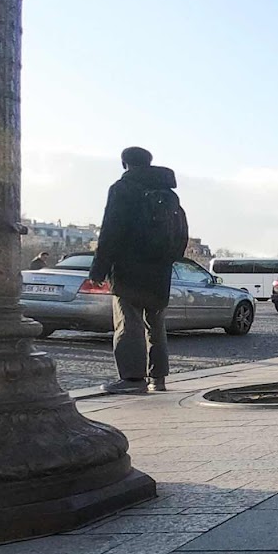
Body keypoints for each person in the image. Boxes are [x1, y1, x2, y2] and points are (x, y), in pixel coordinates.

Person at [88, 147, 188, 394]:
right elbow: (180, 231)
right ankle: (159, 377)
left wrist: (99, 269)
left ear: (125, 164)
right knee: (156, 322)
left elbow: (111, 230)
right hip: (159, 268)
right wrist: (169, 259)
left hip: (129, 267)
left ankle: (132, 380)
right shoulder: (168, 192)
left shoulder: (122, 189)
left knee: (128, 322)